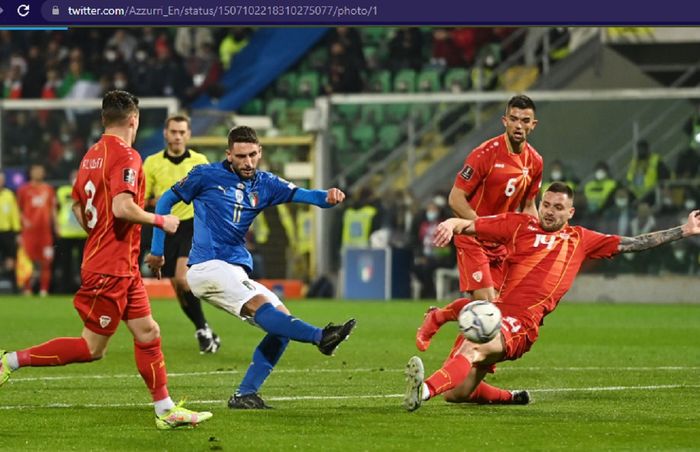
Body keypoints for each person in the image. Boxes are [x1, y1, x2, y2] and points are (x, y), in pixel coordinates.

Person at [0, 90, 212, 430]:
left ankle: (165, 409)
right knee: (92, 347)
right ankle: (10, 360)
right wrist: (162, 220)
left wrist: (97, 233)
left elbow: (75, 206)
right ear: (134, 120)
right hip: (110, 268)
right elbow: (121, 208)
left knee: (148, 331)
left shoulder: (90, 155)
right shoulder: (126, 156)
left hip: (119, 264)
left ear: (103, 119)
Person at [404, 182, 700, 411]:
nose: (549, 211)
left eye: (558, 207)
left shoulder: (581, 239)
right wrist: (450, 224)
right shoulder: (519, 225)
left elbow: (635, 243)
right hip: (496, 310)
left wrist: (683, 230)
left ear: (570, 213)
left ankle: (423, 391)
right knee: (457, 394)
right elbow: (471, 224)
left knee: (472, 345)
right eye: (546, 204)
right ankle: (511, 397)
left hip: (522, 325)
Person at [146, 125, 356, 409]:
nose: (247, 162)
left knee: (282, 322)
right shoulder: (205, 175)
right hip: (207, 267)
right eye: (241, 156)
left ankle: (245, 394)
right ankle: (321, 336)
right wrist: (158, 251)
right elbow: (165, 202)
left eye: (252, 155)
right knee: (262, 306)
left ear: (260, 153)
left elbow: (308, 196)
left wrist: (329, 198)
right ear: (229, 154)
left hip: (233, 269)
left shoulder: (266, 183)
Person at [415, 94, 543, 351]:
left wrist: (538, 242)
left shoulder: (535, 162)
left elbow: (529, 206)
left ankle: (441, 320)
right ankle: (464, 361)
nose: (518, 125)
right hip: (471, 236)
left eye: (525, 121)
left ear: (533, 125)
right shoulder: (485, 154)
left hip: (501, 242)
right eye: (514, 119)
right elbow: (456, 197)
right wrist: (480, 226)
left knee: (496, 308)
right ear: (504, 120)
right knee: (487, 305)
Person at [143, 113, 220, 354]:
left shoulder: (199, 161)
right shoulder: (152, 163)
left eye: (181, 132)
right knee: (177, 285)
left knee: (181, 278)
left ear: (188, 134)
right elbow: (144, 199)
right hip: (164, 226)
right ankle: (204, 328)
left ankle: (201, 330)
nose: (177, 136)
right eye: (173, 131)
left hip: (190, 225)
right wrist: (159, 200)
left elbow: (211, 192)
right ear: (165, 133)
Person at [16, 163, 56, 296]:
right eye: (36, 171)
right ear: (31, 172)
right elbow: (18, 209)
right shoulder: (23, 190)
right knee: (27, 261)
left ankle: (44, 290)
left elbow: (53, 209)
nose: (39, 173)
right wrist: (23, 223)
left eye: (41, 171)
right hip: (29, 233)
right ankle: (27, 290)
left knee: (46, 262)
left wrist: (56, 226)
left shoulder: (49, 189)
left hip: (45, 233)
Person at [53, 169, 88, 293]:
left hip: (83, 232)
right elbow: (54, 208)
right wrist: (56, 225)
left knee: (83, 264)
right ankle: (64, 288)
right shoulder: (62, 191)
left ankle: (84, 288)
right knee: (65, 262)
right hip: (66, 232)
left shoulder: (87, 190)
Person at [0, 172, 21, 292]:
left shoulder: (9, 195)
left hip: (7, 232)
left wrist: (17, 232)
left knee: (11, 259)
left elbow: (14, 214)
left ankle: (14, 287)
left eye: (1, 180)